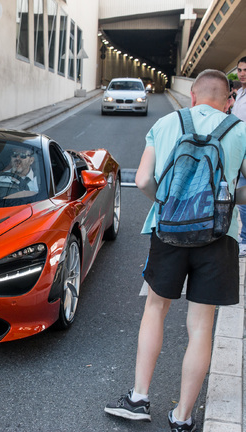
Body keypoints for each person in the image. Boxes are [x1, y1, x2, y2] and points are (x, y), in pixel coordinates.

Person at [105, 70, 246, 432]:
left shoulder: (169, 122)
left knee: (155, 308)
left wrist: (167, 205)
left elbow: (141, 180)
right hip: (219, 236)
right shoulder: (240, 130)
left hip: (168, 233)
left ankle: (138, 398)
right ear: (228, 99)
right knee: (200, 326)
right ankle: (182, 417)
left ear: (194, 96)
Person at [231, 57, 246, 256]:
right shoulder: (240, 93)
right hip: (239, 150)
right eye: (240, 69)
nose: (243, 73)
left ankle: (244, 240)